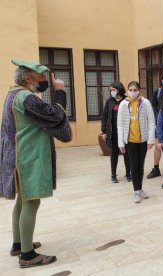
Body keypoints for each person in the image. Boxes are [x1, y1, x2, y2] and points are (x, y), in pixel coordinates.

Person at [0, 60, 72, 268]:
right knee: (32, 201)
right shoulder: (27, 97)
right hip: (27, 156)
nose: (45, 81)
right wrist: (60, 92)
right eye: (41, 77)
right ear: (28, 78)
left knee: (22, 201)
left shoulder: (12, 94)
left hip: (19, 155)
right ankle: (28, 255)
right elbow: (55, 116)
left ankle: (18, 243)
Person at [118, 81, 155, 203]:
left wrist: (150, 140)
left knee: (141, 165)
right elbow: (120, 125)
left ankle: (140, 188)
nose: (132, 92)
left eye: (135, 90)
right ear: (127, 90)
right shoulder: (123, 104)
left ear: (139, 90)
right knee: (134, 165)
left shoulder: (145, 103)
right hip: (130, 140)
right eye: (130, 90)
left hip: (142, 140)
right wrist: (121, 143)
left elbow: (151, 122)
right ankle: (136, 191)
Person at [101, 81, 131, 183]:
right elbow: (105, 116)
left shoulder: (127, 100)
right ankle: (113, 175)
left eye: (113, 90)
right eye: (111, 90)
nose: (112, 92)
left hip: (125, 132)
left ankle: (128, 174)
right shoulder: (109, 101)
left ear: (119, 89)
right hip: (113, 132)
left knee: (126, 154)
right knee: (114, 154)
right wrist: (104, 131)